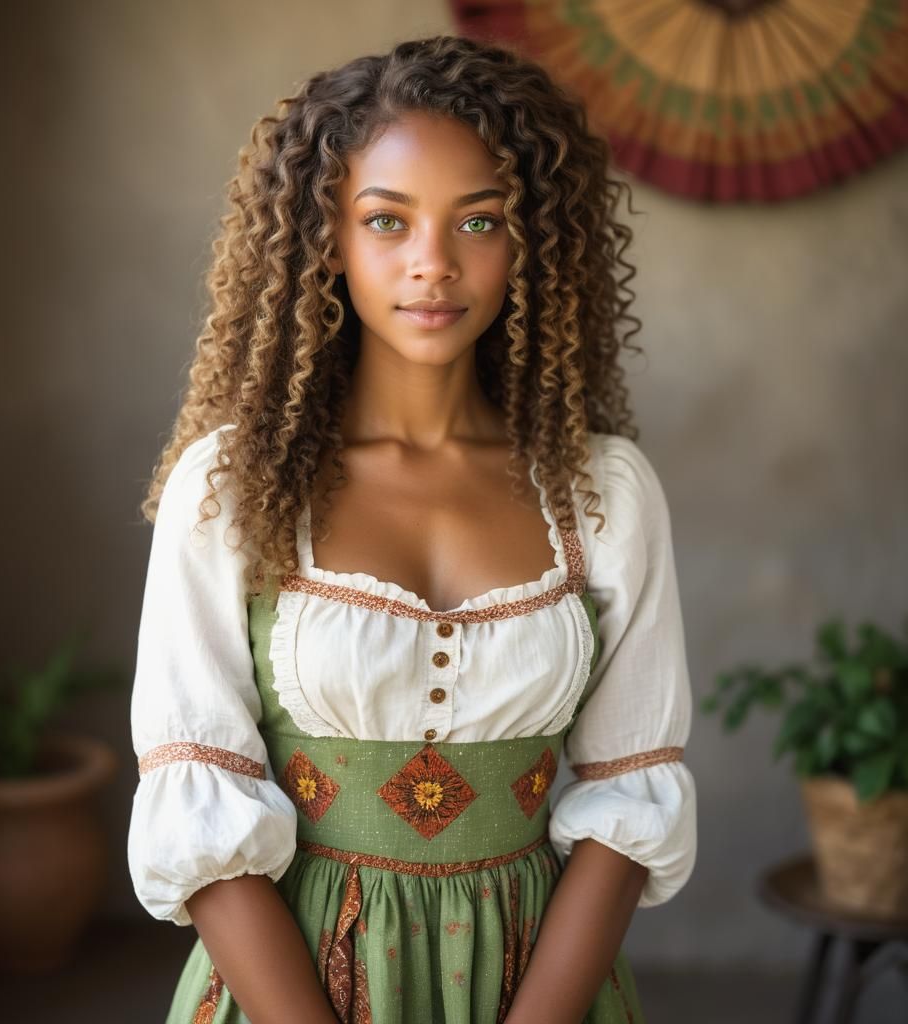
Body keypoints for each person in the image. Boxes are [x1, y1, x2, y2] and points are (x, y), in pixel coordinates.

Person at [127, 33, 696, 1024]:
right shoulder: (230, 487)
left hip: (539, 987)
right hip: (283, 993)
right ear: (324, 241)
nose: (432, 264)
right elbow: (198, 796)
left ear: (532, 242)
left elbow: (629, 799)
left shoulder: (604, 494)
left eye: (478, 222)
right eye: (386, 221)